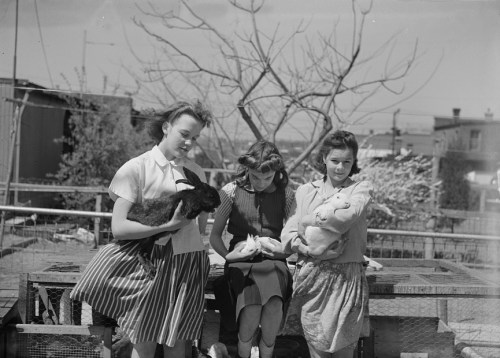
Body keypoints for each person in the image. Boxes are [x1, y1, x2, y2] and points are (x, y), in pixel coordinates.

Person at [70, 100, 213, 358]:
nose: (189, 143)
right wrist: (168, 225)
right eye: (184, 134)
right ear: (166, 127)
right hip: (153, 264)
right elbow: (119, 227)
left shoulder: (197, 172)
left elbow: (200, 226)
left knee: (179, 343)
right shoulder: (136, 168)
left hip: (189, 261)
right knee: (144, 338)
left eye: (195, 137)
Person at [281, 130, 373, 358]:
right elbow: (289, 233)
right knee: (317, 350)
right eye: (334, 161)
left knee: (344, 351)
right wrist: (309, 249)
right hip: (313, 278)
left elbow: (345, 218)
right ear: (323, 159)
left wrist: (308, 220)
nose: (340, 167)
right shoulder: (304, 191)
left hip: (347, 279)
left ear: (354, 162)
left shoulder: (360, 190)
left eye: (347, 162)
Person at [209, 140, 295, 358]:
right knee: (252, 306)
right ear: (247, 169)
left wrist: (282, 252)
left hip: (275, 261)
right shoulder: (230, 192)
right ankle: (244, 353)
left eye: (268, 177)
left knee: (274, 304)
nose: (261, 182)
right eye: (255, 176)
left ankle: (266, 354)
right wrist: (230, 256)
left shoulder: (287, 195)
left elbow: (293, 237)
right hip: (240, 260)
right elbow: (215, 235)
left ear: (277, 171)